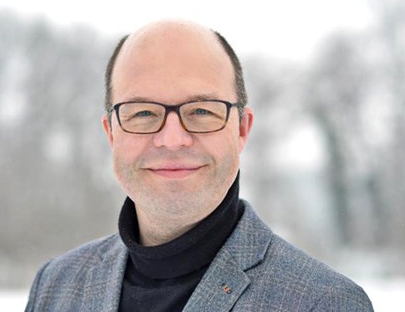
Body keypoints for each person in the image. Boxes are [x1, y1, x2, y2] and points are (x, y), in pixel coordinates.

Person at [25, 19, 374, 311]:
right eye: (143, 113)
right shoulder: (55, 287)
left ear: (241, 130)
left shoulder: (323, 303)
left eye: (201, 111)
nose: (173, 138)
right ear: (111, 134)